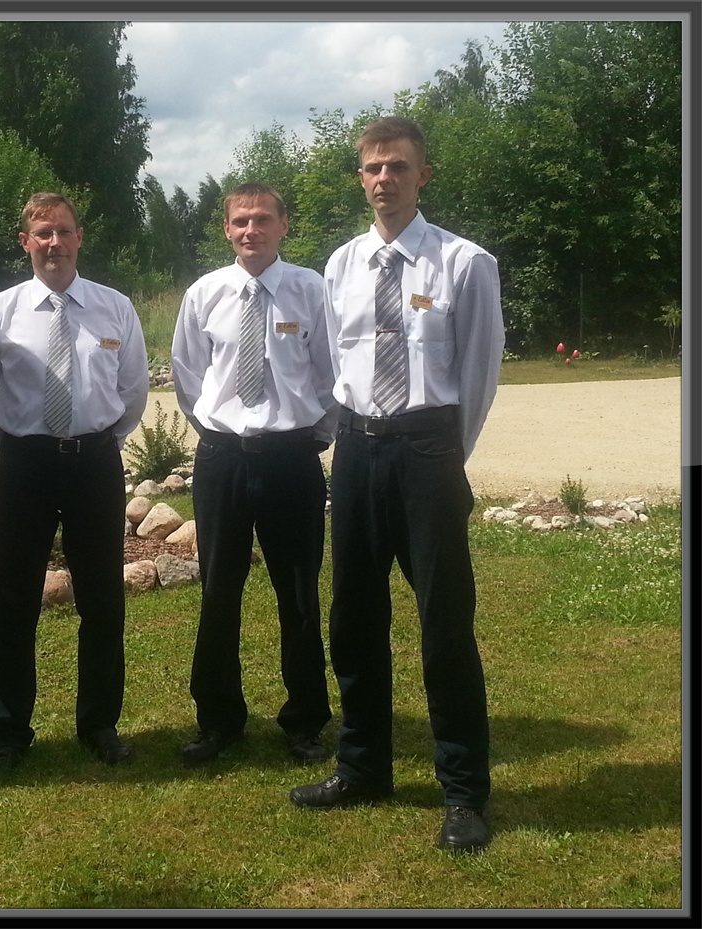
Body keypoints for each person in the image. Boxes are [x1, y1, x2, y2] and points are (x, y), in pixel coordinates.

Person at [289, 117, 505, 854]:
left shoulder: (464, 263)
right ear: (361, 178)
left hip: (427, 452)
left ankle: (464, 791)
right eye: (373, 168)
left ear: (423, 176)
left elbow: (478, 373)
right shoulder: (341, 264)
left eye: (398, 167)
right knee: (352, 616)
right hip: (356, 449)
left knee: (444, 622)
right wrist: (352, 438)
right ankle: (363, 768)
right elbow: (334, 363)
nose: (384, 179)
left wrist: (442, 454)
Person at [0, 192, 149, 768]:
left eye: (63, 231)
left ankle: (99, 724)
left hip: (95, 464)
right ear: (26, 242)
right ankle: (8, 733)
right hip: (26, 466)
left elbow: (133, 390)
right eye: (42, 233)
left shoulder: (115, 308)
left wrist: (100, 440)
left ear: (78, 237)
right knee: (13, 601)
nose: (54, 243)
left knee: (103, 599)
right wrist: (13, 446)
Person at [171, 182, 336, 766]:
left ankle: (305, 720)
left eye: (263, 219)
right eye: (241, 221)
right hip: (224, 459)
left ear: (283, 225)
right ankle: (218, 720)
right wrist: (221, 431)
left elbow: (330, 374)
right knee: (219, 591)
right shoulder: (205, 294)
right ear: (226, 229)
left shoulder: (312, 290)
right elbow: (188, 376)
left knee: (299, 594)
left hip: (292, 459)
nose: (251, 230)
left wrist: (312, 436)